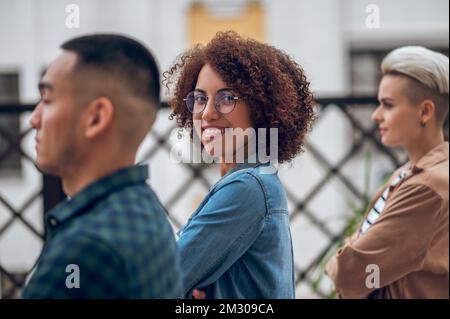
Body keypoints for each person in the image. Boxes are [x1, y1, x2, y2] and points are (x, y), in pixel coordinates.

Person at [22, 34, 183, 298]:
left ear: (96, 118)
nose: (33, 119)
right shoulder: (147, 211)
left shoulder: (84, 249)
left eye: (48, 100)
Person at [163, 31, 316, 298]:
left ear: (260, 109)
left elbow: (160, 281)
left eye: (226, 98)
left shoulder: (248, 186)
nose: (208, 113)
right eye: (200, 98)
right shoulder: (256, 179)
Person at [326, 46, 449, 299]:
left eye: (388, 105)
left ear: (425, 112)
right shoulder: (407, 173)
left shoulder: (428, 187)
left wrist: (341, 260)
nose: (375, 116)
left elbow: (349, 272)